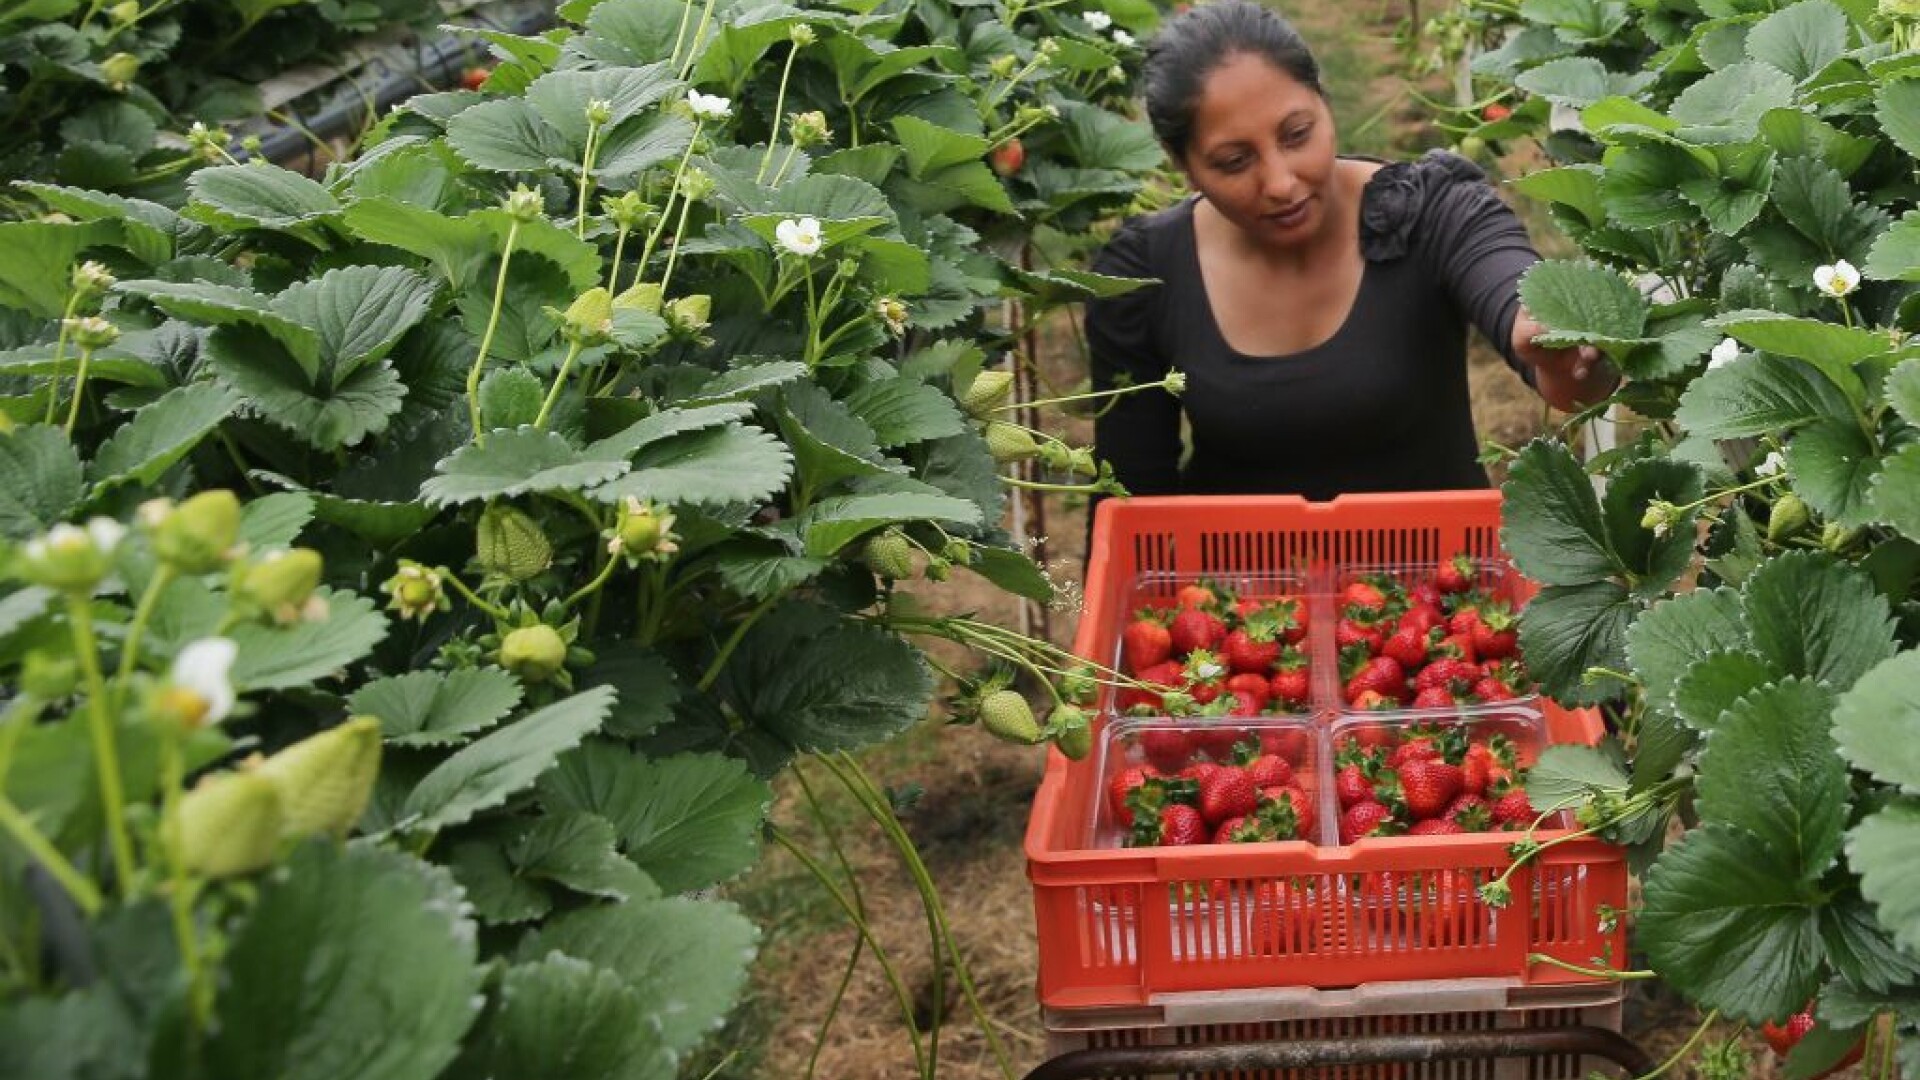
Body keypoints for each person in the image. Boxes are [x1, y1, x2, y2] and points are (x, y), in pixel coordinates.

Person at [1085, 0, 1617, 501]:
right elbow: (1130, 501)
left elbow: (1517, 298)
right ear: (1182, 164)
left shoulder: (1432, 211)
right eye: (1233, 162)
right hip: (1236, 592)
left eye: (1297, 135)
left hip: (1442, 585)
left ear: (1324, 99)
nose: (1281, 182)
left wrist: (1558, 344)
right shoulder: (1141, 279)